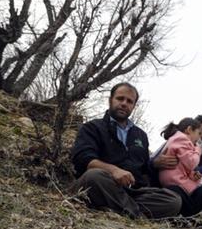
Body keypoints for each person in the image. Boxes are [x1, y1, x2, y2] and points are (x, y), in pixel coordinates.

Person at [71, 82, 182, 219]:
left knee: (173, 200)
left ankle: (120, 209)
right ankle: (137, 215)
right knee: (94, 176)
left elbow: (143, 170)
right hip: (102, 183)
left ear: (134, 106)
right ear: (110, 100)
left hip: (131, 191)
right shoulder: (92, 127)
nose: (124, 103)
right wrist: (114, 171)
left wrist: (154, 164)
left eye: (129, 101)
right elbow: (83, 158)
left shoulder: (141, 135)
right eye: (120, 98)